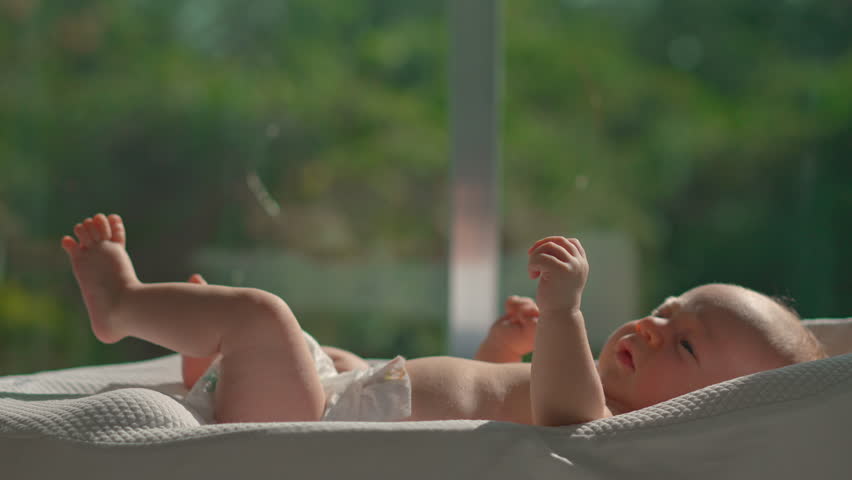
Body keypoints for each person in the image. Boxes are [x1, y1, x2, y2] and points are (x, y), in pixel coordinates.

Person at [62, 213, 826, 426]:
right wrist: (504, 346)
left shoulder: (602, 423)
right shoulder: (577, 383)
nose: (653, 327)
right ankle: (217, 368)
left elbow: (559, 407)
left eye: (685, 343)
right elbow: (489, 387)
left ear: (700, 409)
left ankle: (122, 306)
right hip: (341, 391)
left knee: (267, 317)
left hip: (320, 425)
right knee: (313, 347)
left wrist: (563, 312)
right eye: (666, 310)